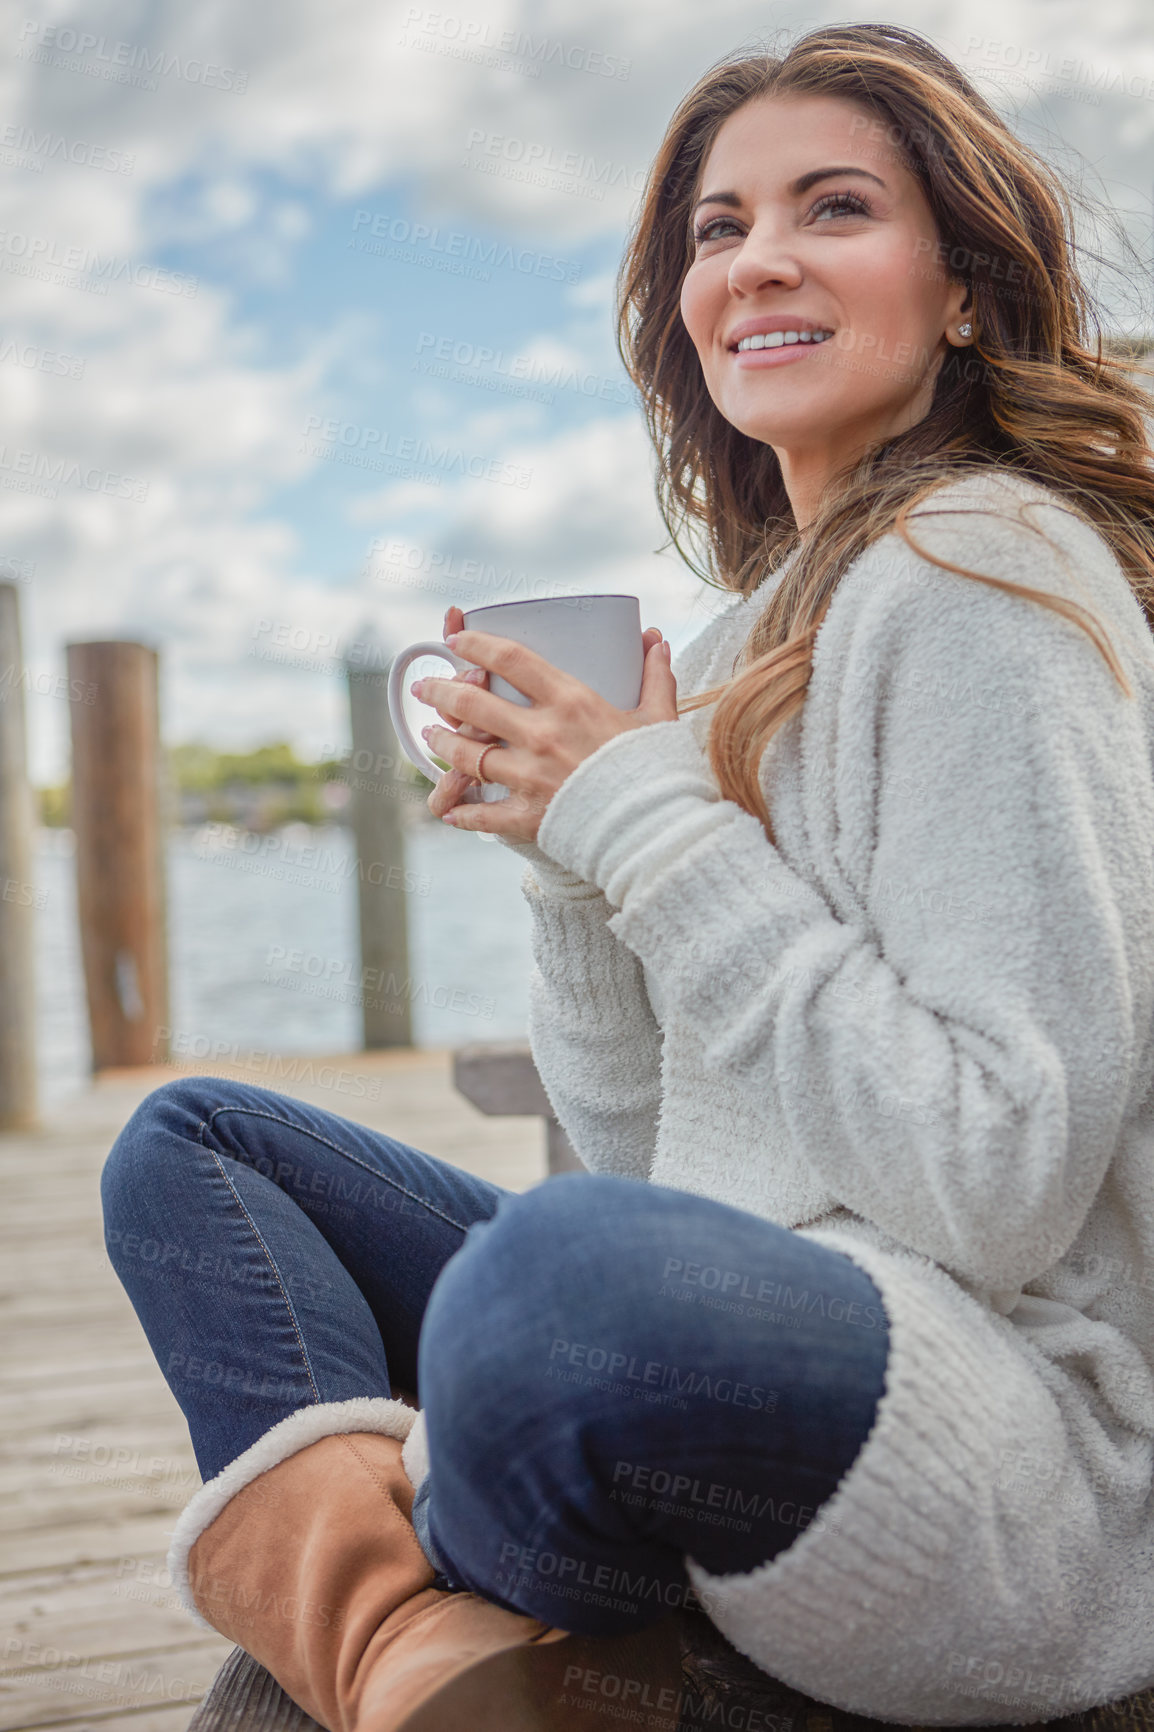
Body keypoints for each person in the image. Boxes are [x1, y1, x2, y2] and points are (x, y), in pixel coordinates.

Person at [101, 19, 1154, 1732]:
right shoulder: (753, 631)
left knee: (553, 1278)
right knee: (198, 1150)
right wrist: (573, 869)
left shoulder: (986, 567)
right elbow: (655, 1159)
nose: (759, 262)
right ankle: (416, 1657)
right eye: (716, 230)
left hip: (997, 1430)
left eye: (832, 209)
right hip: (764, 1323)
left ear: (961, 284)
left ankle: (398, 1630)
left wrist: (645, 823)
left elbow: (991, 1177)